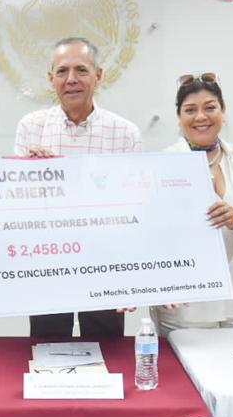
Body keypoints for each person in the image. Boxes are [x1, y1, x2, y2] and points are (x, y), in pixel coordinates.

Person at [14, 37, 141, 337]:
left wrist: (131, 277)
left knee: (107, 349)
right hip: (47, 263)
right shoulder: (31, 128)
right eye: (62, 71)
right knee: (47, 348)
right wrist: (32, 174)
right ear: (51, 78)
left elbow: (134, 208)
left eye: (81, 70)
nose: (71, 79)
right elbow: (20, 204)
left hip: (105, 263)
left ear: (98, 75)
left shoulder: (125, 133)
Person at [149, 74, 233, 333]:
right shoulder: (164, 163)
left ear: (223, 111)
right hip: (185, 305)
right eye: (190, 110)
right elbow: (151, 232)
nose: (201, 117)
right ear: (179, 117)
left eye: (210, 107)